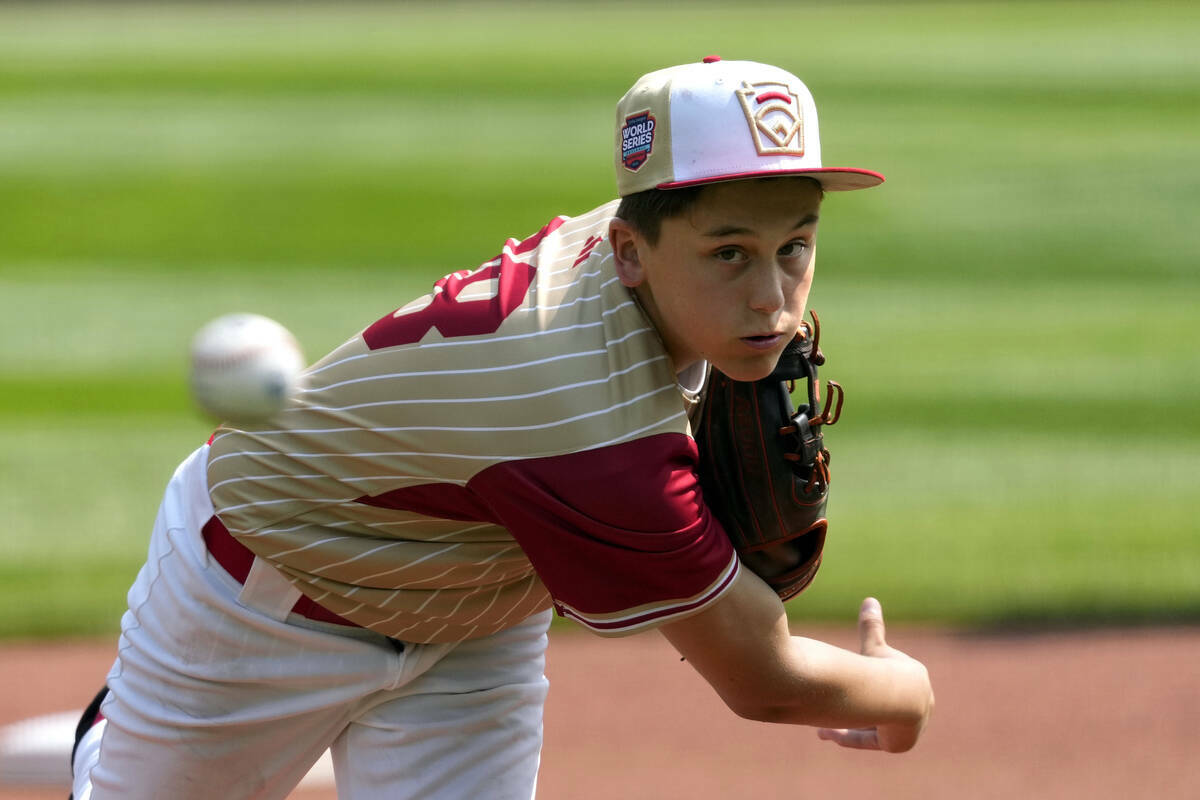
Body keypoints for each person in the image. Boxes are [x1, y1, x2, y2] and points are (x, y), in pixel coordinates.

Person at [70, 57, 934, 799]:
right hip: (266, 595)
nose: (771, 300)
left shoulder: (639, 249)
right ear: (630, 250)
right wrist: (906, 696)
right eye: (729, 253)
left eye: (795, 247)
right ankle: (109, 749)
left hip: (480, 605)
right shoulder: (590, 422)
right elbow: (763, 680)